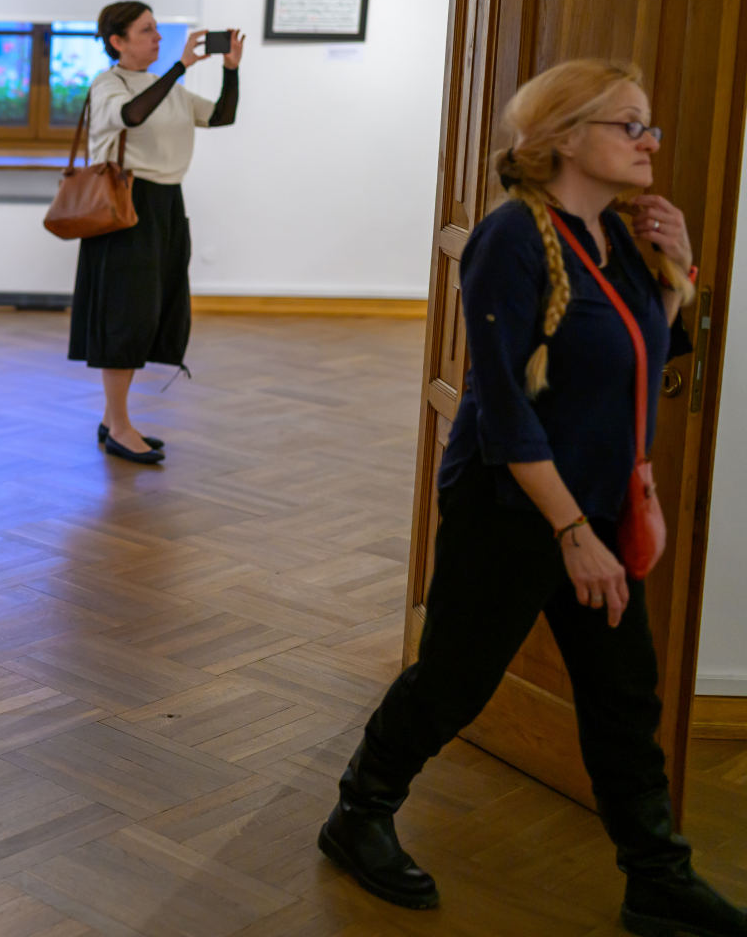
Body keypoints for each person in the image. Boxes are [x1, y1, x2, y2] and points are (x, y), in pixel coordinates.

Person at [317, 60, 746, 937]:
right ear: (566, 137)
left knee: (624, 695)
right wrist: (572, 532)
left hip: (594, 505)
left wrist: (675, 274)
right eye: (630, 125)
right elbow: (507, 410)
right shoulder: (509, 238)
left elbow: (636, 355)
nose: (650, 141)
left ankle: (657, 877)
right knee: (455, 682)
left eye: (650, 125)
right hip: (513, 510)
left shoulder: (612, 232)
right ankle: (359, 814)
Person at [68, 1, 242, 464]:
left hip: (165, 206)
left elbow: (221, 116)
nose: (158, 37)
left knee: (147, 312)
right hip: (125, 206)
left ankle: (113, 419)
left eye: (157, 29)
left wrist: (231, 70)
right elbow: (131, 116)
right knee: (125, 315)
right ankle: (120, 427)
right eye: (146, 30)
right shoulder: (109, 84)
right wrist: (180, 66)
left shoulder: (169, 89)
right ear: (117, 41)